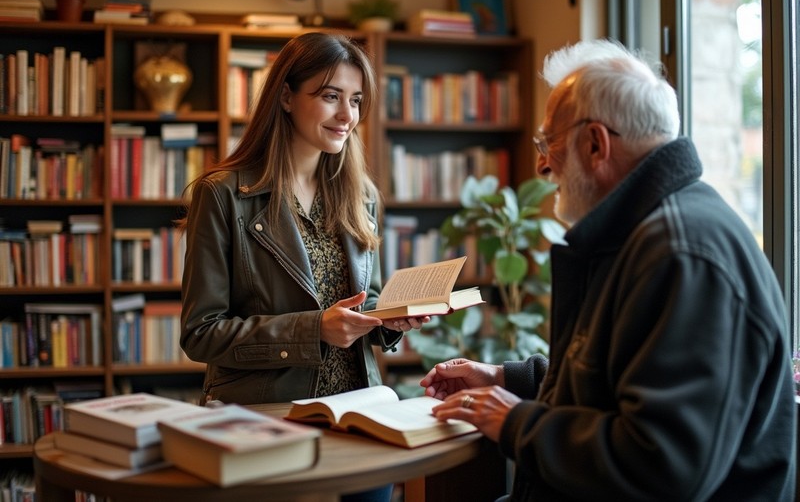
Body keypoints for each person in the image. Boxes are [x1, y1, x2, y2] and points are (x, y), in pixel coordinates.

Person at [421, 39, 797, 501]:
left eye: (548, 143)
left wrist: (515, 420)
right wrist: (508, 380)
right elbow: (615, 385)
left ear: (595, 144)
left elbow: (662, 466)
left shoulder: (681, 254)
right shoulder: (641, 231)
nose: (541, 164)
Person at [179, 32, 425, 502]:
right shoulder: (223, 195)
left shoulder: (362, 196)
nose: (347, 116)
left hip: (360, 416)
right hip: (269, 420)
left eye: (355, 100)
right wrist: (314, 329)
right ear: (287, 97)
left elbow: (363, 302)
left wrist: (386, 319)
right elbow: (201, 332)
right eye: (330, 96)